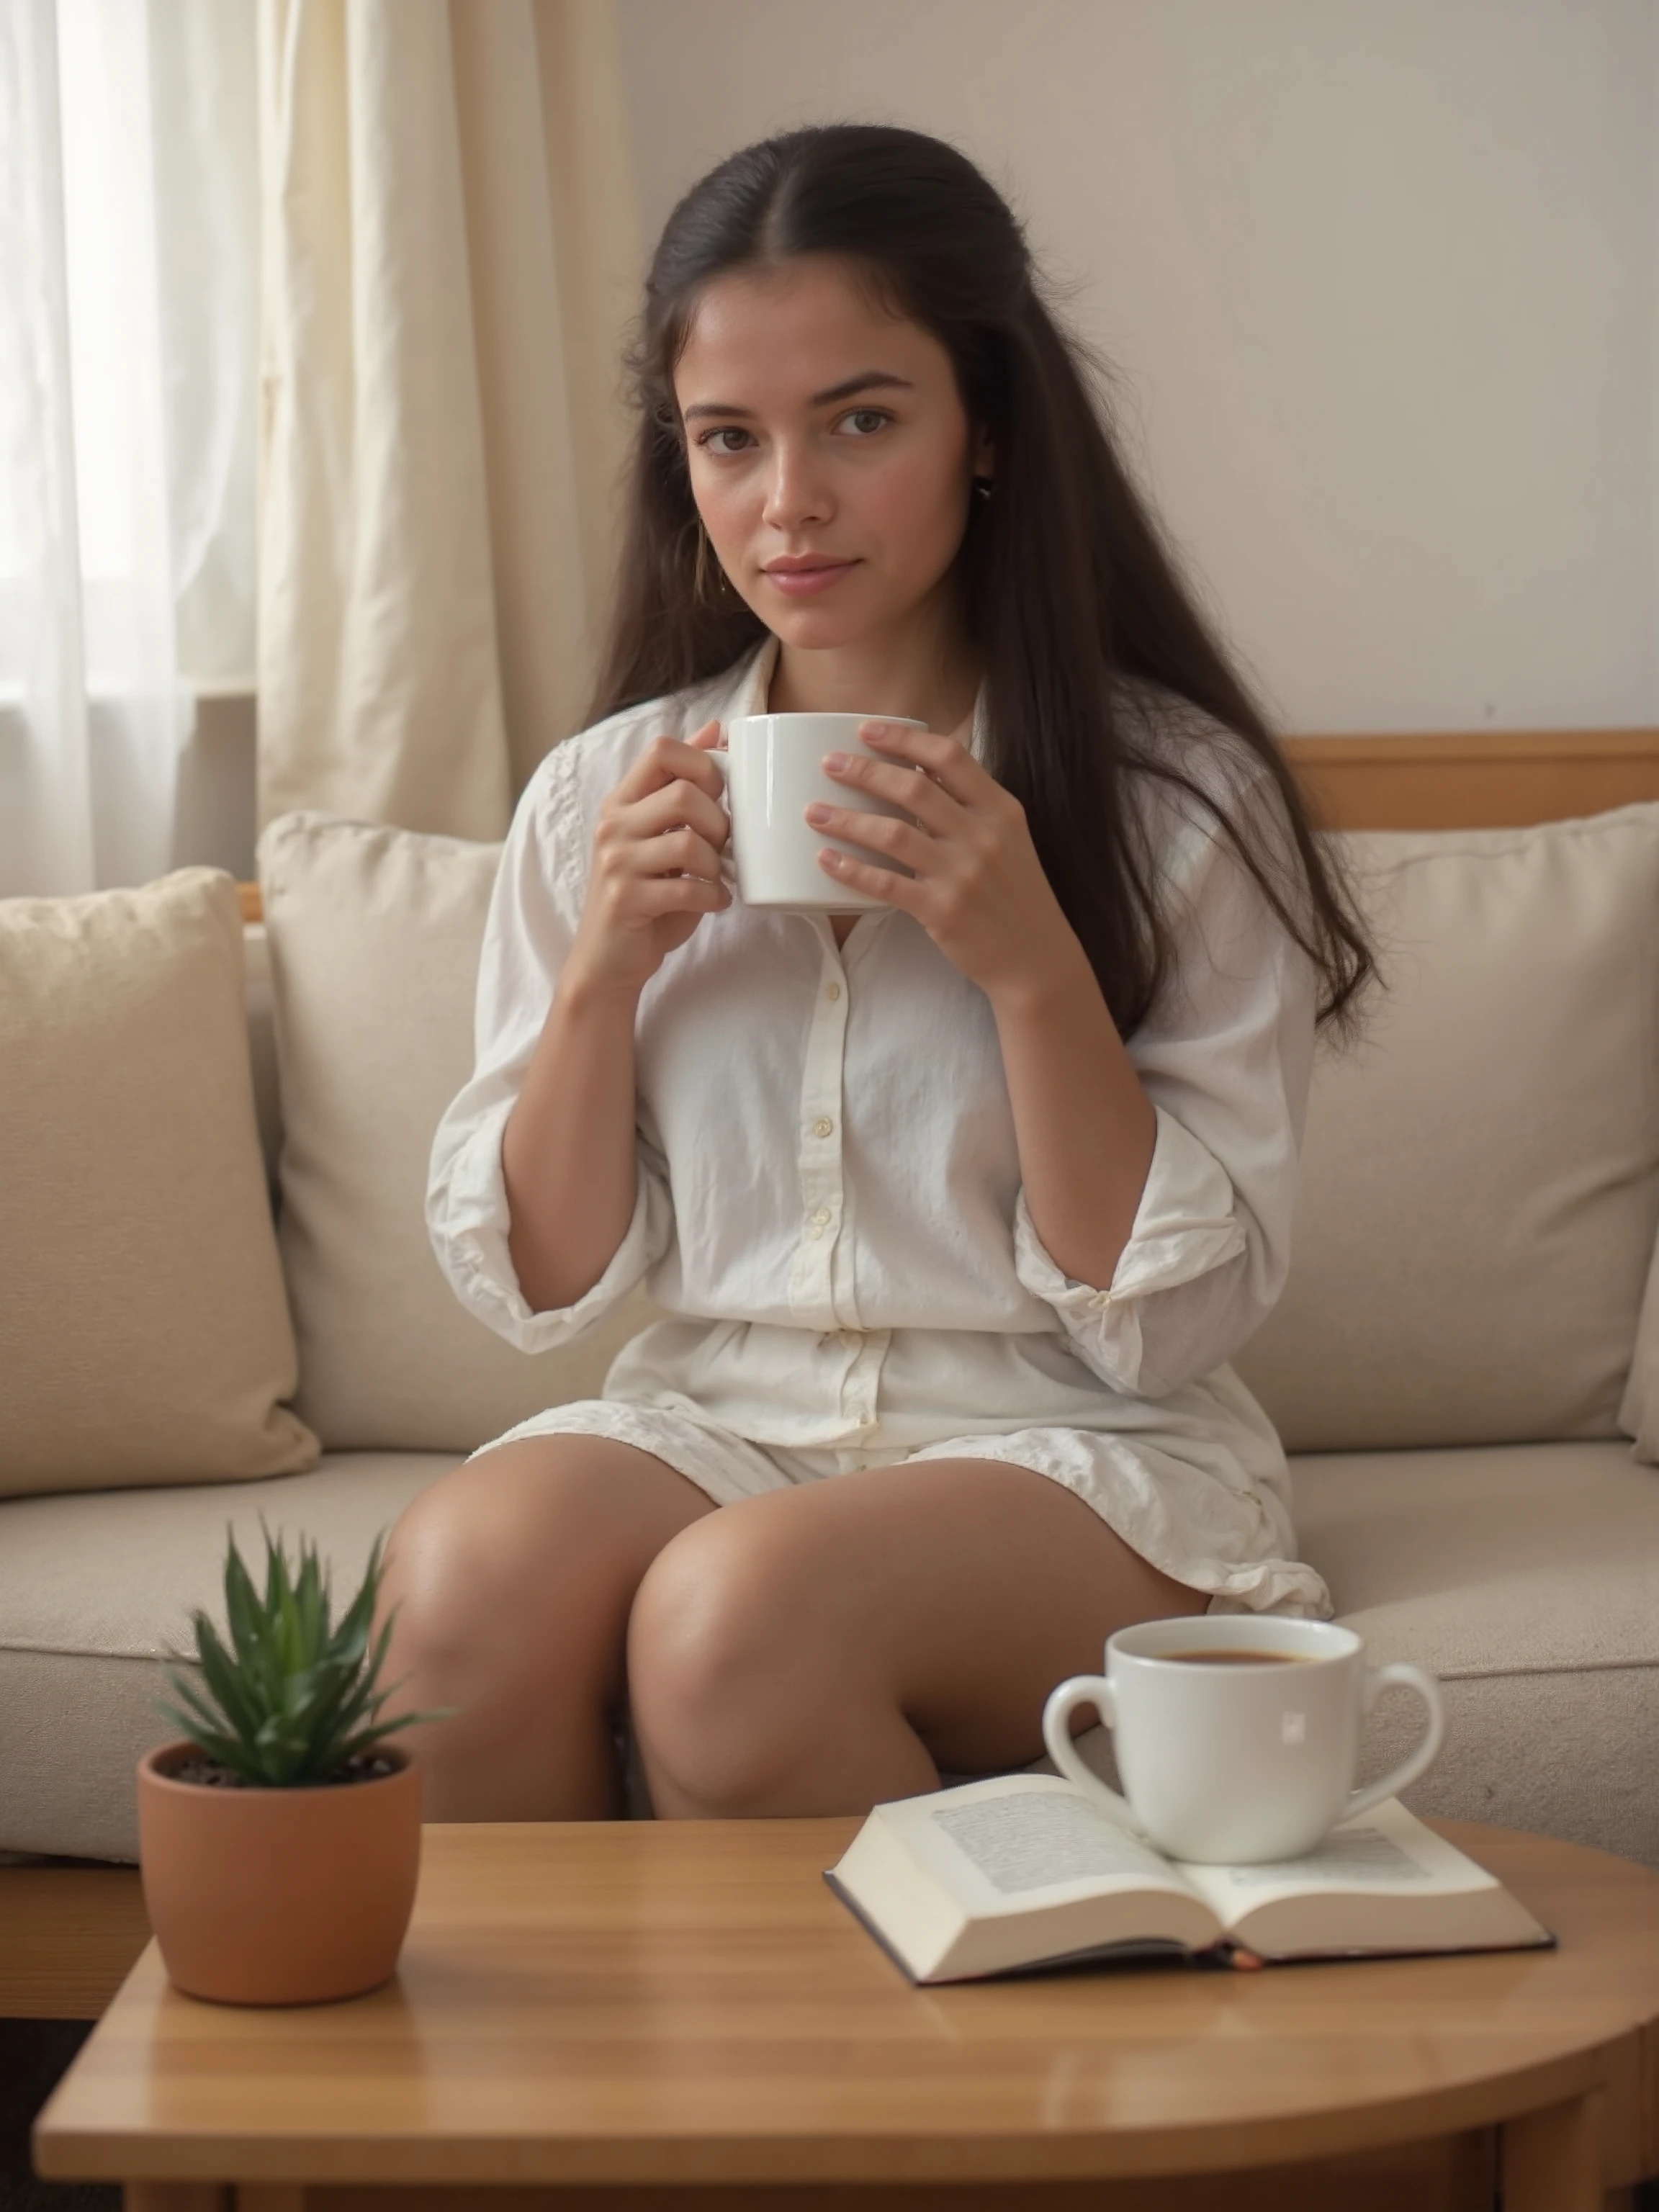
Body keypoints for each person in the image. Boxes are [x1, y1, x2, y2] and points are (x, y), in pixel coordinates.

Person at [374, 121, 1375, 1825]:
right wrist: (604, 974)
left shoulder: (1171, 799)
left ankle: (853, 2090)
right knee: (454, 1584)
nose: (791, 503)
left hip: (1074, 1457)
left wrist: (1033, 968)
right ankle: (560, 2090)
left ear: (985, 426)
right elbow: (542, 1284)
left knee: (734, 1615)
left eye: (860, 419)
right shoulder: (597, 799)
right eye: (729, 439)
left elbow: (1165, 1326)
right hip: (715, 1423)